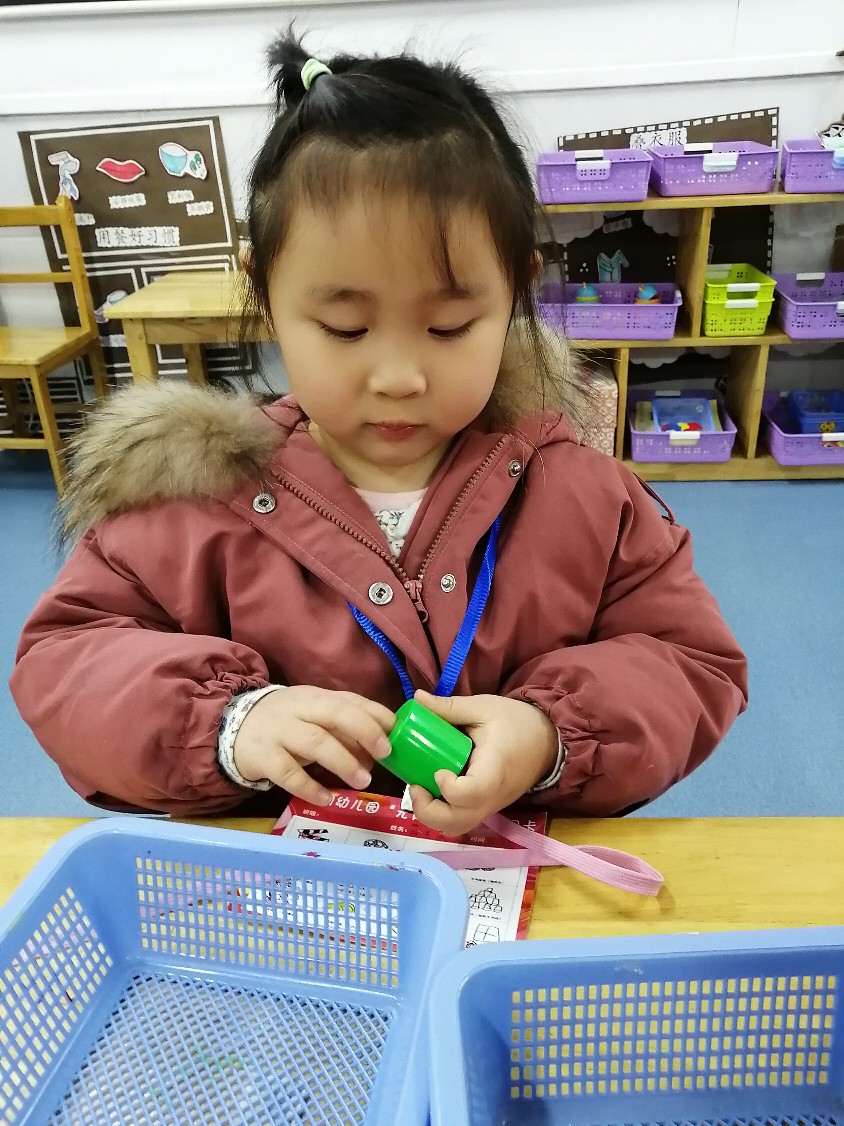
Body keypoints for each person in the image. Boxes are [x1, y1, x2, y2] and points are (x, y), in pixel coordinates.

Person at [10, 30, 747, 832]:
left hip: (505, 880)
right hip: (277, 892)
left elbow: (691, 663)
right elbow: (63, 662)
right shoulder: (191, 501)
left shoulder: (585, 497)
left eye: (450, 326)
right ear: (265, 291)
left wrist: (549, 735)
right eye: (346, 328)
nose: (399, 376)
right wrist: (229, 724)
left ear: (514, 293)